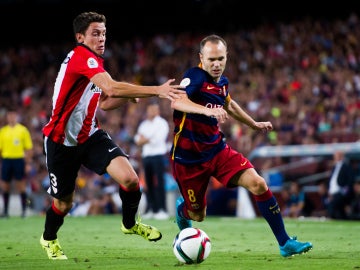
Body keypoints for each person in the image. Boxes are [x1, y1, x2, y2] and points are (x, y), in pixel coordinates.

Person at [39, 11, 183, 260]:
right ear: (80, 37)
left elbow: (105, 102)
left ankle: (129, 224)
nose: (102, 38)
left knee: (130, 179)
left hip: (90, 135)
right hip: (60, 141)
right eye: (96, 33)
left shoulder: (94, 63)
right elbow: (112, 87)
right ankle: (48, 238)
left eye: (104, 33)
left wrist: (127, 96)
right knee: (64, 204)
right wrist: (156, 90)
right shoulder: (82, 57)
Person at [170, 34, 313, 257]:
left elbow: (229, 104)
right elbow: (177, 100)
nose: (216, 64)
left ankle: (285, 243)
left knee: (258, 183)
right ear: (201, 58)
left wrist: (253, 124)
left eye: (220, 59)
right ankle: (183, 209)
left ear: (227, 57)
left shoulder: (222, 82)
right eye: (211, 60)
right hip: (189, 159)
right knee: (197, 216)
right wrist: (207, 110)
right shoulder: (194, 76)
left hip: (217, 150)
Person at [134, 101, 170, 220]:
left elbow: (158, 140)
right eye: (150, 109)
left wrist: (144, 139)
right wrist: (146, 139)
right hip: (146, 156)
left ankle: (162, 209)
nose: (152, 112)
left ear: (158, 110)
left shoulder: (162, 123)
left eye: (154, 109)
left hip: (158, 155)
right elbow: (137, 140)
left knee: (160, 182)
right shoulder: (144, 124)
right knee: (148, 184)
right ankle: (151, 209)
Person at [0, 108, 33, 218]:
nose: (11, 117)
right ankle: (5, 211)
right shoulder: (3, 131)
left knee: (21, 185)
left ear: (16, 116)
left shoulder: (23, 130)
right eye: (9, 115)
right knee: (5, 186)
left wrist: (28, 163)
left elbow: (28, 149)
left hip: (19, 160)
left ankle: (24, 211)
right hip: (6, 160)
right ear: (7, 117)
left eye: (13, 115)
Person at [327, 151, 355, 219]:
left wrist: (345, 191)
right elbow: (332, 180)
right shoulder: (334, 167)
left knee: (333, 207)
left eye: (338, 156)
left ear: (342, 157)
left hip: (341, 191)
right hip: (333, 192)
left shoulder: (346, 166)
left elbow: (350, 179)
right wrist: (330, 191)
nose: (336, 157)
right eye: (335, 156)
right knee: (340, 210)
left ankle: (333, 219)